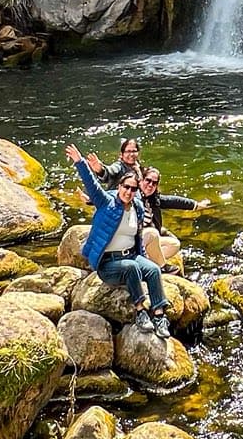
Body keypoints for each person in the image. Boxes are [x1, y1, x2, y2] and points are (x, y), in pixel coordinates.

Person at [65, 144, 171, 337]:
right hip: (108, 264)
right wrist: (80, 162)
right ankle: (140, 312)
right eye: (126, 187)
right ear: (119, 186)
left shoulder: (137, 207)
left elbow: (138, 237)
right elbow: (92, 184)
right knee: (131, 267)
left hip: (130, 256)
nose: (129, 192)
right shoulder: (107, 202)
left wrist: (144, 257)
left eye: (133, 189)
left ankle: (159, 314)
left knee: (154, 269)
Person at [137, 165, 208, 269]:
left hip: (149, 242)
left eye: (154, 183)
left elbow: (174, 201)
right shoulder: (133, 196)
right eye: (148, 180)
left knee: (174, 244)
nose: (150, 185)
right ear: (141, 180)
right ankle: (160, 266)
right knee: (152, 232)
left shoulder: (153, 200)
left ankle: (147, 264)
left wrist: (195, 205)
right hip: (135, 241)